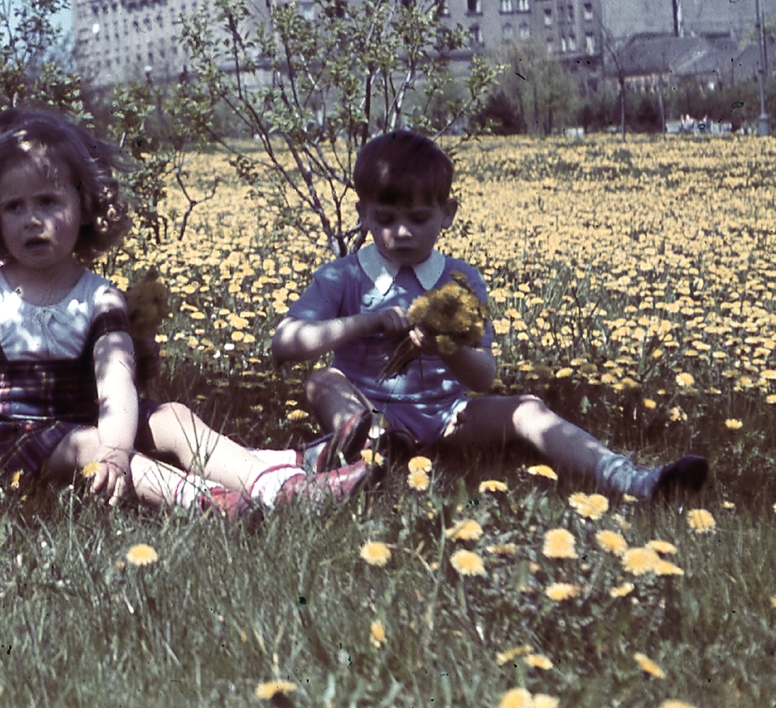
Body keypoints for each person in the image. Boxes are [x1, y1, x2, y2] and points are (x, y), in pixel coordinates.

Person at [0, 109, 368, 514]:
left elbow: (117, 389)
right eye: (14, 207)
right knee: (97, 445)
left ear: (85, 206)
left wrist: (115, 447)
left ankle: (277, 486)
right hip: (1, 439)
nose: (31, 220)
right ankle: (208, 503)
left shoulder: (99, 297)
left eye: (48, 203)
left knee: (173, 418)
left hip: (89, 417)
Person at [272, 130, 709, 499]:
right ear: (363, 215)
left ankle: (632, 480)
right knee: (322, 381)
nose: (402, 231)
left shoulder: (461, 280)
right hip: (369, 407)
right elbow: (284, 343)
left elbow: (482, 377)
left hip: (448, 417)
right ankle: (374, 445)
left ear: (447, 215)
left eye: (419, 218)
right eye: (385, 218)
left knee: (528, 409)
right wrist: (364, 322)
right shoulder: (342, 277)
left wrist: (448, 347)